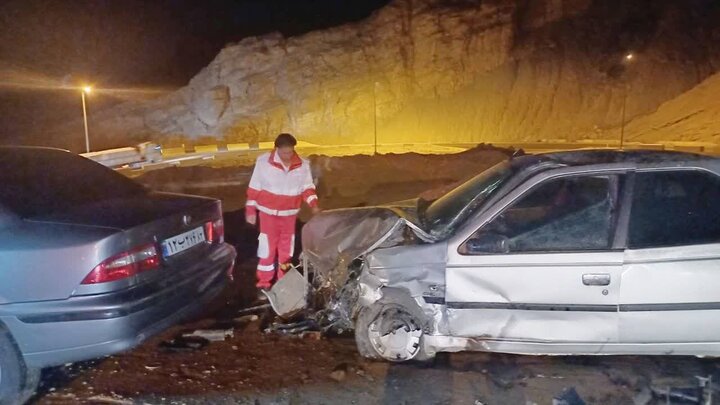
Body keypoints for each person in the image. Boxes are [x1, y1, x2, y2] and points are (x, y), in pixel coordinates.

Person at [245, 133, 320, 295]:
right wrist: (250, 210)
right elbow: (254, 187)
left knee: (286, 251)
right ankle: (263, 284)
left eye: (290, 152)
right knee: (267, 250)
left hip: (289, 215)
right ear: (277, 149)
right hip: (268, 214)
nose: (288, 155)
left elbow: (307, 188)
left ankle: (283, 281)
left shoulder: (302, 165)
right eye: (284, 152)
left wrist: (313, 204)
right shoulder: (264, 162)